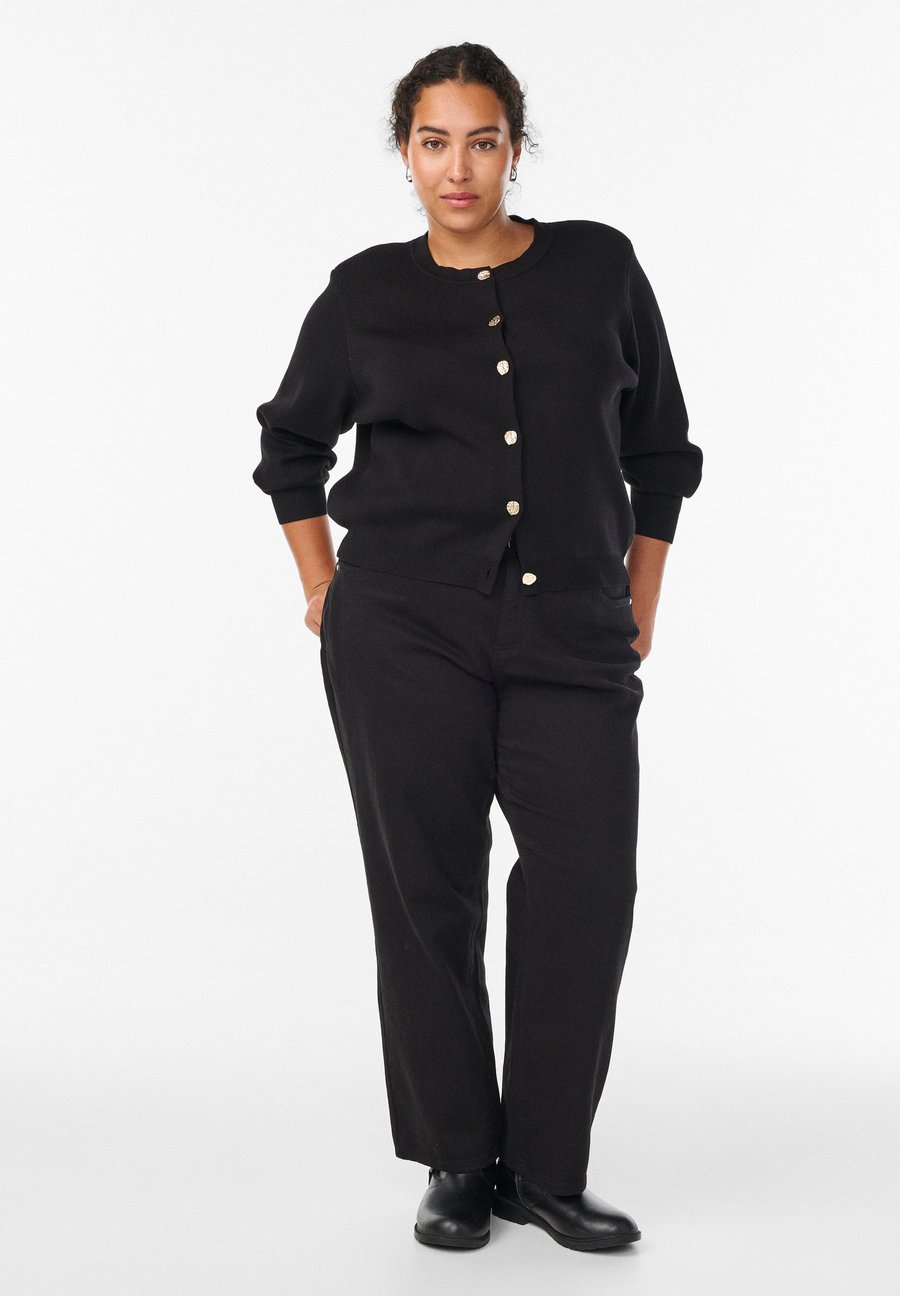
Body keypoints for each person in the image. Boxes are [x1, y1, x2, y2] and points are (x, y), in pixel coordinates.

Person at [252, 42, 703, 1252]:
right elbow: (290, 449)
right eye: (434, 142)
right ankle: (458, 1158)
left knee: (586, 887)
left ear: (516, 147)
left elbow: (661, 451)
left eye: (483, 140)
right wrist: (322, 586)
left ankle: (546, 1170)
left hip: (572, 634)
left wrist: (640, 597)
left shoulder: (600, 268)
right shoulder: (363, 295)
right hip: (403, 635)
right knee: (427, 893)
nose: (459, 168)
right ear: (405, 153)